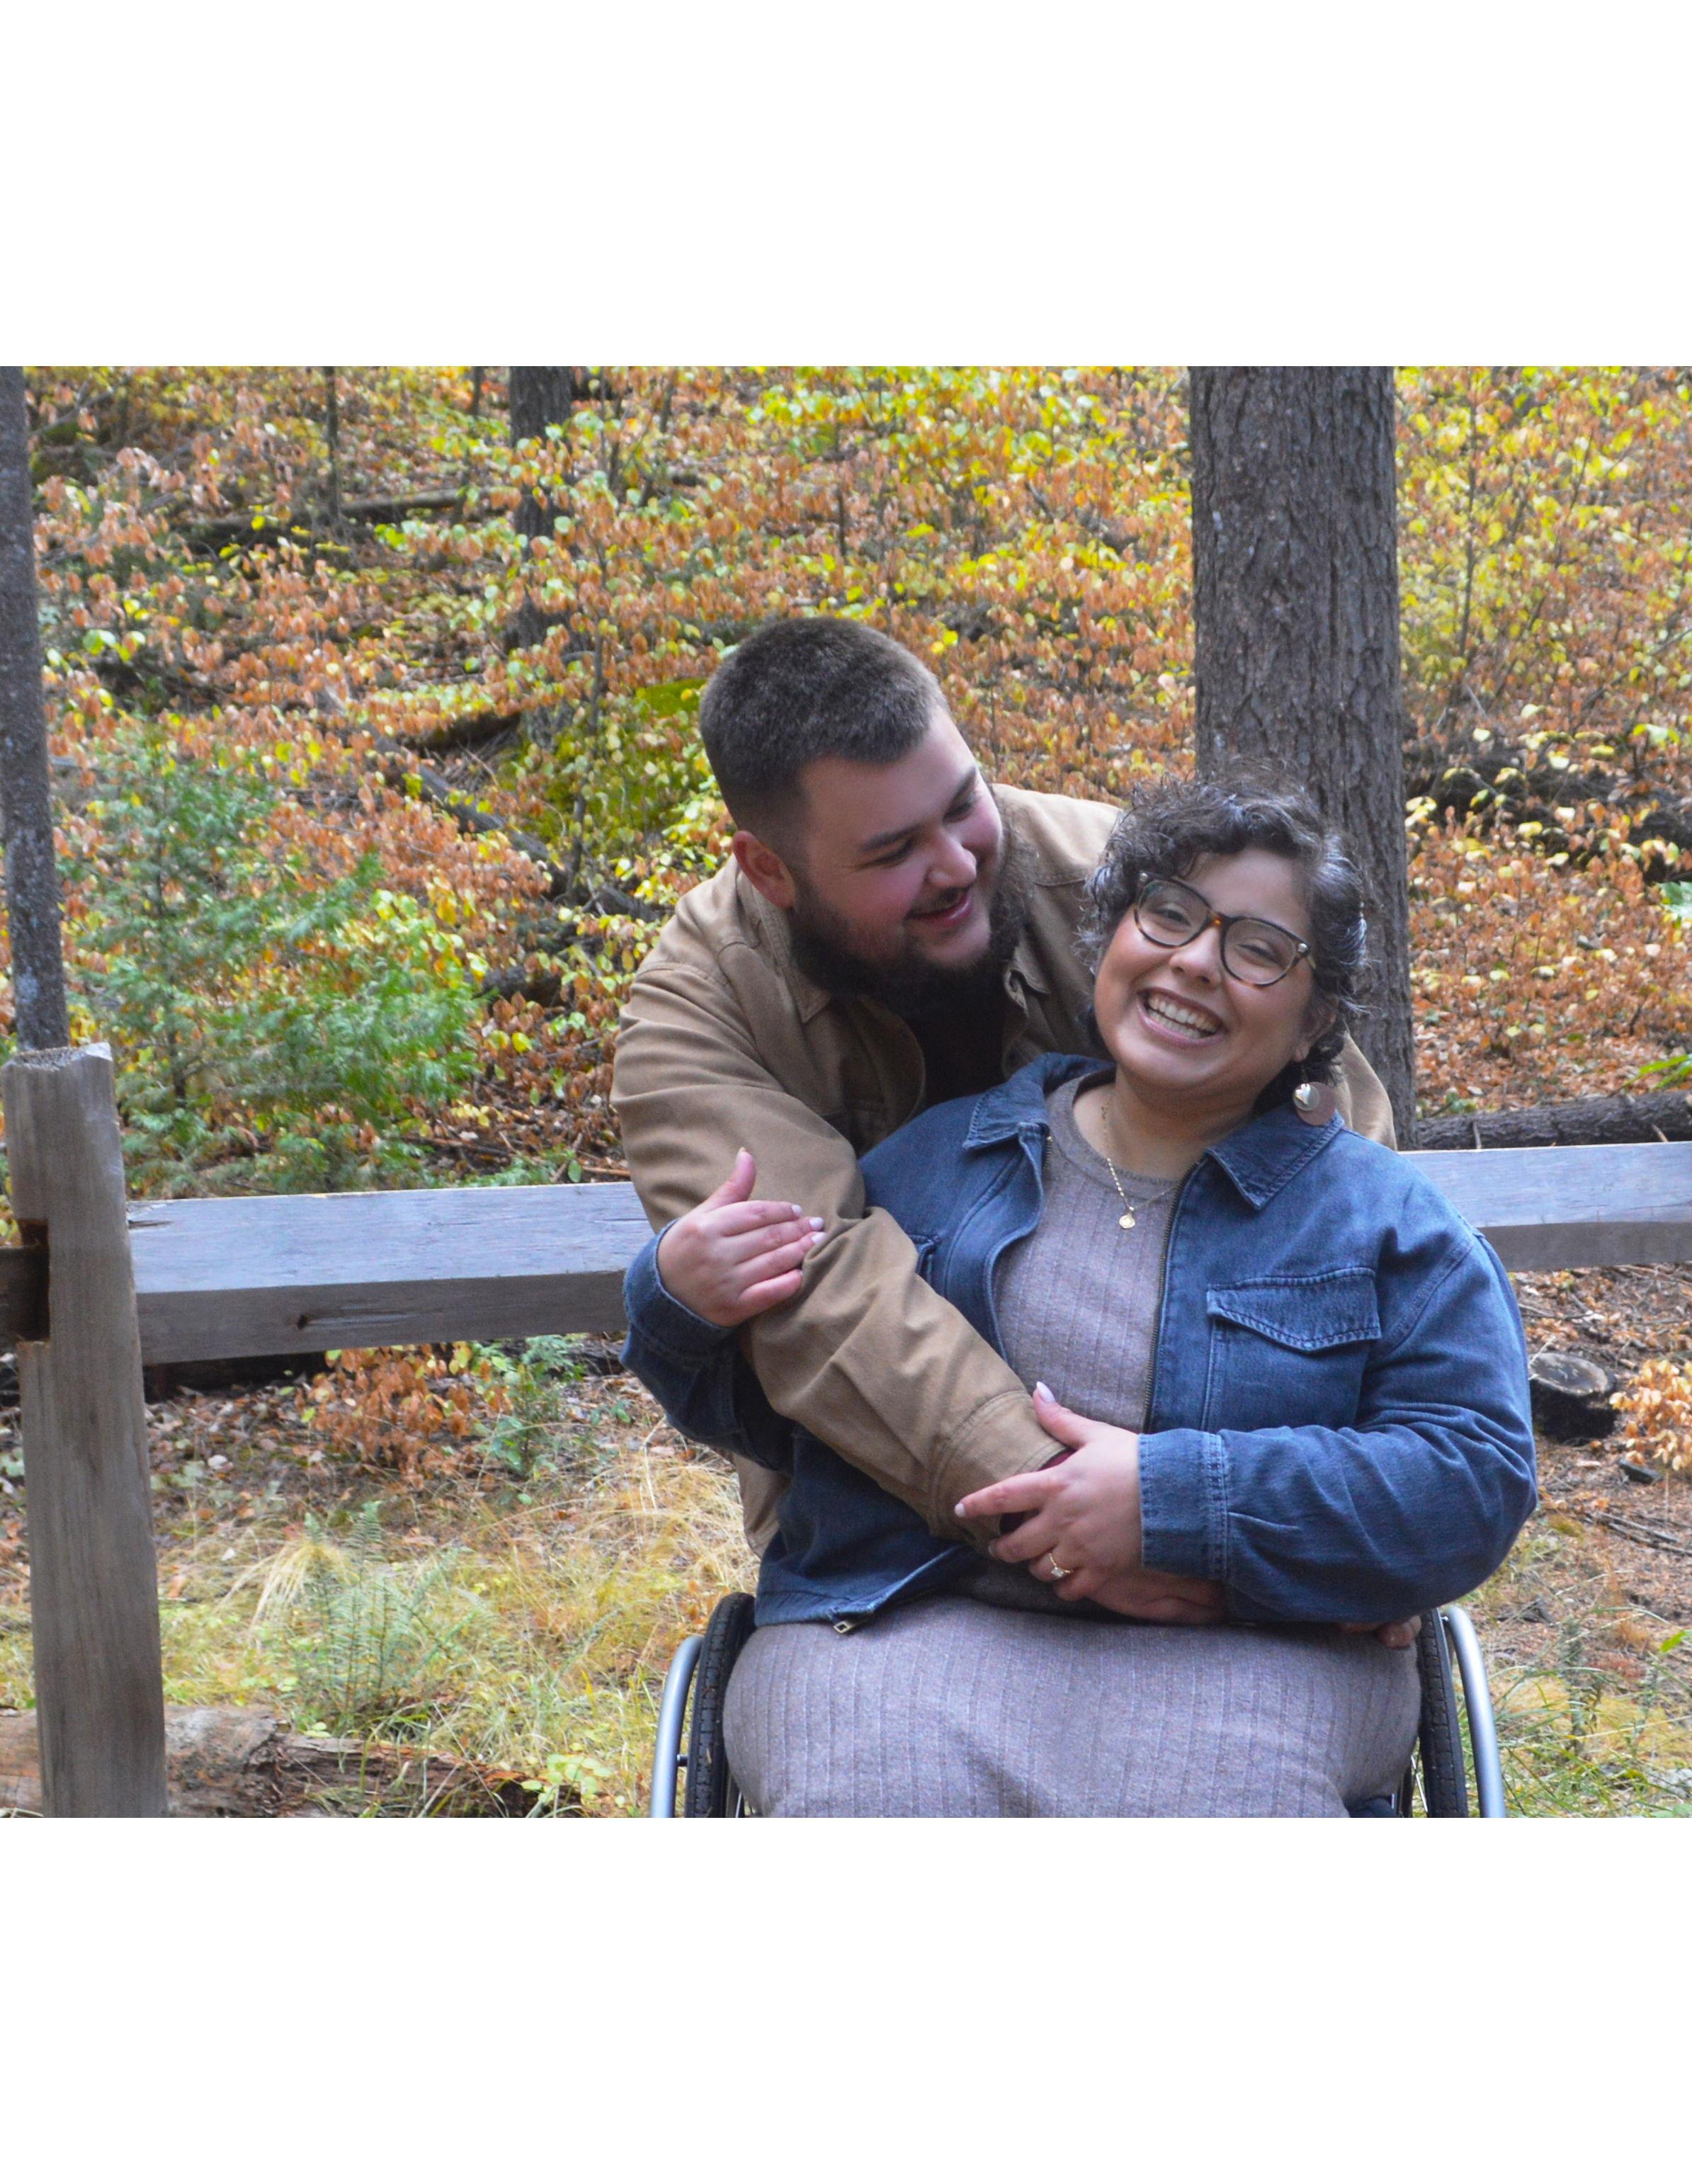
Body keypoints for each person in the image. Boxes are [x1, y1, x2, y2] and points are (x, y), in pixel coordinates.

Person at [624, 777, 1538, 1816]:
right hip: (903, 1634)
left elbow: (1472, 1476)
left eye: (1257, 949)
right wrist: (679, 1306)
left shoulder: (1388, 1225)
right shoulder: (930, 1167)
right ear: (1109, 938)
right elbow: (773, 1418)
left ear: (1314, 1020)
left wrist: (1173, 1499)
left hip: (1254, 1655)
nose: (1196, 961)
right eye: (1170, 914)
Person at [611, 616, 1394, 1627]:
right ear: (770, 870)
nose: (954, 865)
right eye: (893, 851)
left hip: (1220, 1463)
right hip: (891, 1535)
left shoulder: (1138, 893)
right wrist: (1056, 1510)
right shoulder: (698, 1014)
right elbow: (820, 1294)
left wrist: (1328, 1529)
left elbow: (1345, 1160)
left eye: (962, 804)